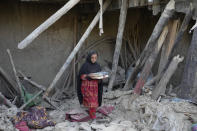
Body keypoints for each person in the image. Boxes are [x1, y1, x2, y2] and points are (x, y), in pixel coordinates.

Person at [77, 50, 103, 119]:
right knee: (91, 102)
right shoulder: (85, 65)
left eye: (95, 58)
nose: (94, 59)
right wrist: (88, 76)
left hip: (95, 87)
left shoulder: (98, 65)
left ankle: (92, 114)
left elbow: (100, 75)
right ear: (89, 57)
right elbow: (81, 76)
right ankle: (92, 116)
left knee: (94, 101)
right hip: (87, 87)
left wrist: (100, 77)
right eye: (92, 58)